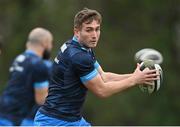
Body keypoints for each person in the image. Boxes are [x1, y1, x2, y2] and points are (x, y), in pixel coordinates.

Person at [34, 8, 159, 126]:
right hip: (54, 121)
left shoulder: (81, 48)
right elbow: (102, 90)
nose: (94, 35)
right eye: (89, 30)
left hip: (72, 120)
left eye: (97, 29)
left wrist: (136, 76)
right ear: (77, 32)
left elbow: (103, 76)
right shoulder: (78, 56)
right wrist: (134, 80)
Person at [0, 27, 53, 126]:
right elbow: (41, 100)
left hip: (3, 110)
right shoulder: (39, 64)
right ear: (45, 43)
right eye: (51, 43)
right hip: (15, 118)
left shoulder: (19, 58)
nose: (51, 46)